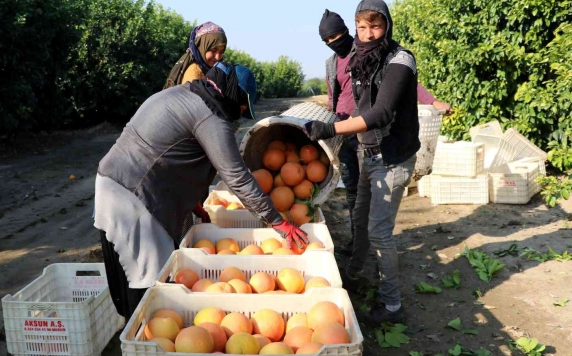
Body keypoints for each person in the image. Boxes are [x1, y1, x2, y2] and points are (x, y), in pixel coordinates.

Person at [95, 62, 308, 321]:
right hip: (134, 198)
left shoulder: (182, 94)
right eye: (242, 105)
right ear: (232, 93)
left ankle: (142, 335)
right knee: (150, 283)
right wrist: (277, 221)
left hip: (114, 186)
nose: (240, 112)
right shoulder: (210, 115)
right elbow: (237, 176)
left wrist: (194, 201)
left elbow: (171, 154)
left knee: (134, 277)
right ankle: (144, 343)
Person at [307, 0, 419, 324]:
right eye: (363, 27)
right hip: (367, 152)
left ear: (387, 25)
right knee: (359, 218)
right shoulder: (358, 59)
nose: (368, 34)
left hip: (393, 159)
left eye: (376, 26)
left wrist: (331, 128)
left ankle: (392, 305)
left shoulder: (401, 60)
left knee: (379, 232)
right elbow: (357, 104)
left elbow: (380, 112)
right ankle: (353, 276)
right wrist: (333, 125)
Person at [319, 9, 452, 256]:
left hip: (369, 133)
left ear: (347, 31)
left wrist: (432, 102)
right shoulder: (332, 64)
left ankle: (371, 242)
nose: (333, 43)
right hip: (344, 132)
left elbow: (403, 84)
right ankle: (358, 244)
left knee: (370, 195)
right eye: (327, 41)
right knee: (353, 190)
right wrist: (330, 121)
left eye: (336, 37)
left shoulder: (373, 54)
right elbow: (332, 96)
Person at [163, 21, 227, 89]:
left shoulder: (210, 71)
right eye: (213, 50)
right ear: (201, 47)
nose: (217, 57)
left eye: (221, 52)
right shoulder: (194, 72)